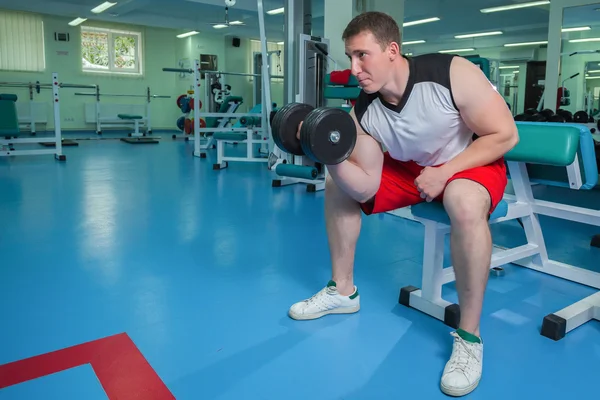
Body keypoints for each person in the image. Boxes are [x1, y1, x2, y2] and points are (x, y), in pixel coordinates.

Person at [288, 11, 519, 398]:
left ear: (392, 50)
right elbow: (364, 188)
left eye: (362, 55)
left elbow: (504, 134)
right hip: (414, 168)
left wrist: (445, 172)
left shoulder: (451, 72)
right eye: (349, 57)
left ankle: (470, 338)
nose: (354, 68)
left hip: (471, 158)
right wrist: (325, 152)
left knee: (463, 201)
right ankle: (343, 291)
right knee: (336, 181)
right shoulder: (363, 112)